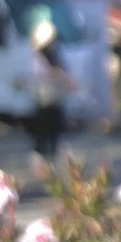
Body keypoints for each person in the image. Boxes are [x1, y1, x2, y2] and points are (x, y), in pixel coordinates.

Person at [29, 20, 75, 165]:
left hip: (55, 94)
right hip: (44, 94)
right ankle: (40, 152)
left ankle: (54, 149)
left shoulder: (54, 53)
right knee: (44, 122)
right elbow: (50, 72)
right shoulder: (40, 56)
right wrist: (65, 78)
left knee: (55, 121)